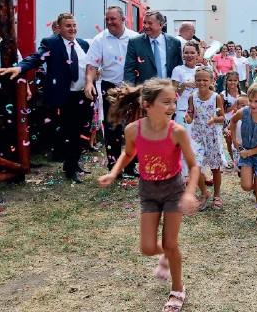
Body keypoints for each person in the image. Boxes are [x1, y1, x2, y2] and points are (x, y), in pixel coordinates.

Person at [97, 78, 199, 312]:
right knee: (147, 248)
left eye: (174, 101)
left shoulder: (178, 132)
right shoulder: (133, 130)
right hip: (149, 192)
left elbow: (193, 166)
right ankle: (166, 254)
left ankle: (177, 289)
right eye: (166, 102)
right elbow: (128, 154)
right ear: (147, 105)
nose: (173, 107)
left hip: (173, 190)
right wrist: (113, 174)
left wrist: (190, 192)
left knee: (171, 243)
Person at [0, 13, 91, 183]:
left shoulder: (84, 44)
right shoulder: (52, 43)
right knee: (68, 133)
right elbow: (36, 58)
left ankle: (74, 163)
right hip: (64, 97)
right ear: (60, 28)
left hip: (83, 96)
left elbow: (91, 66)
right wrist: (20, 68)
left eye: (74, 25)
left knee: (80, 132)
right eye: (67, 26)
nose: (72, 29)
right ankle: (70, 169)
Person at [84, 6, 139, 177]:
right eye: (107, 19)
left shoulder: (135, 38)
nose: (109, 22)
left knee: (133, 127)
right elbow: (92, 64)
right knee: (112, 128)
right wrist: (88, 83)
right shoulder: (100, 39)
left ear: (123, 20)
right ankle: (114, 168)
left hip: (132, 88)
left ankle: (131, 167)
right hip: (110, 87)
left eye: (112, 19)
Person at [226, 83, 257, 224]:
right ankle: (256, 191)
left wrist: (250, 152)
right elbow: (233, 122)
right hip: (245, 153)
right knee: (246, 186)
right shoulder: (244, 112)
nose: (253, 104)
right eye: (250, 100)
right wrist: (235, 141)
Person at [184, 66, 226, 210]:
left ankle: (217, 195)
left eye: (205, 80)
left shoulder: (216, 97)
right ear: (194, 81)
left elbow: (222, 117)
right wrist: (188, 118)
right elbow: (190, 115)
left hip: (212, 136)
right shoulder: (192, 97)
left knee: (215, 167)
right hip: (197, 135)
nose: (201, 82)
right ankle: (204, 193)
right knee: (195, 166)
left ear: (211, 80)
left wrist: (214, 119)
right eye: (198, 80)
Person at [171, 41, 207, 181]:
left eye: (192, 52)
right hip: (182, 112)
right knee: (182, 144)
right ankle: (184, 175)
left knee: (199, 144)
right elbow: (173, 92)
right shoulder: (178, 70)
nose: (189, 55)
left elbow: (210, 90)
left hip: (200, 113)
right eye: (186, 52)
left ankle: (200, 173)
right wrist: (184, 85)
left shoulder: (202, 69)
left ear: (198, 54)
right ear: (183, 54)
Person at [123, 11, 182, 85]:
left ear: (161, 24)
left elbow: (179, 68)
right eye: (144, 23)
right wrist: (129, 90)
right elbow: (129, 69)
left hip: (168, 90)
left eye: (150, 23)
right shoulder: (135, 42)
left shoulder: (174, 43)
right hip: (145, 91)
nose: (146, 26)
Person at [221, 70, 245, 168]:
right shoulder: (223, 95)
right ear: (226, 81)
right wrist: (234, 105)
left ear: (238, 81)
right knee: (229, 140)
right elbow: (222, 111)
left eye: (235, 80)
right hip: (228, 121)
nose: (232, 82)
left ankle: (242, 158)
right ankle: (233, 159)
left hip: (240, 121)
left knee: (239, 140)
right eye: (230, 80)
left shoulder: (242, 94)